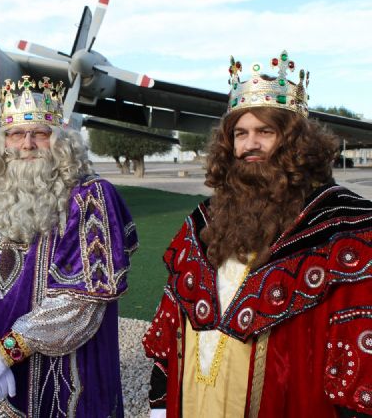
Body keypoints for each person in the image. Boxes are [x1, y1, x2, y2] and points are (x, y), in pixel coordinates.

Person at [142, 51, 372, 417]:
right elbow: (172, 322)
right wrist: (159, 401)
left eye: (266, 132)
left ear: (296, 142)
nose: (250, 145)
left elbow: (360, 357)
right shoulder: (204, 222)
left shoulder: (345, 227)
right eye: (240, 134)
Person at [0, 75, 138, 417]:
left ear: (60, 141)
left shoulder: (91, 199)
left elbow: (82, 301)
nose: (27, 144)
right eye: (16, 134)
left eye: (40, 133)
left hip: (64, 378)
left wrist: (3, 354)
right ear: (2, 143)